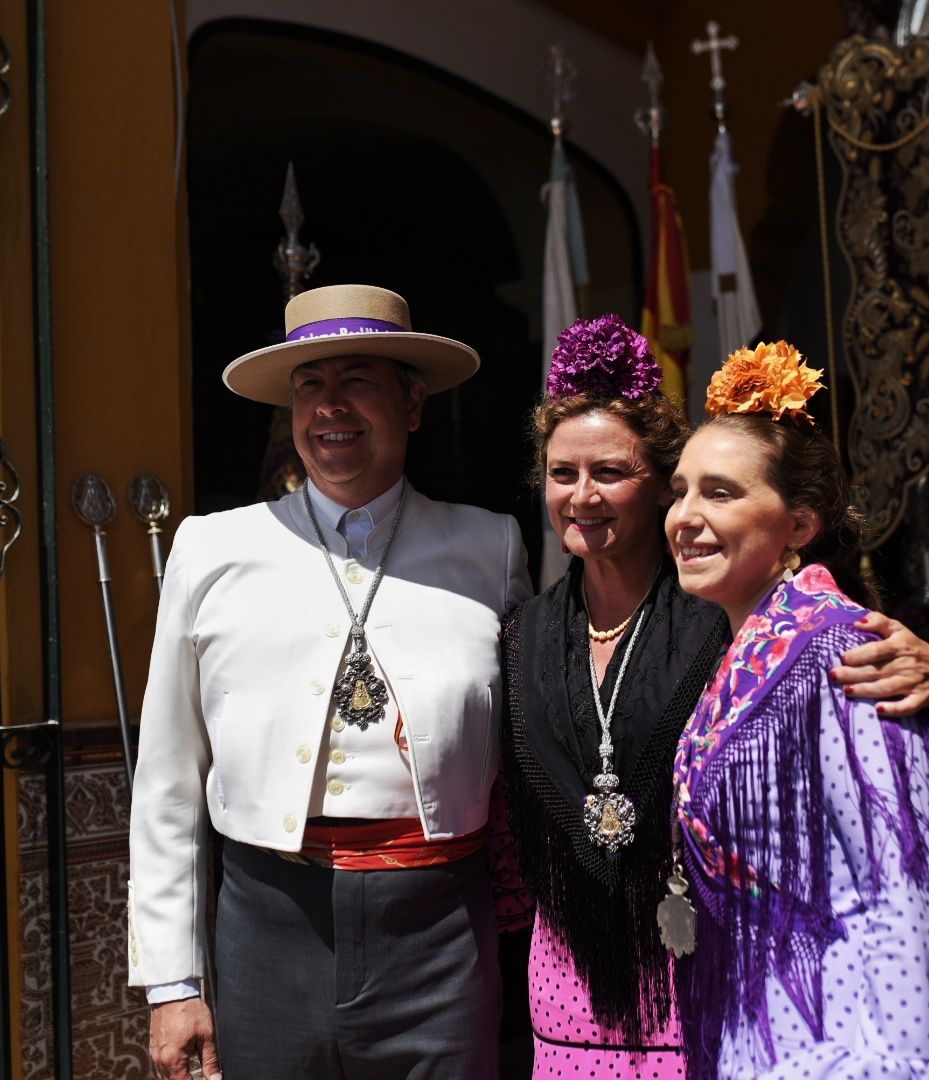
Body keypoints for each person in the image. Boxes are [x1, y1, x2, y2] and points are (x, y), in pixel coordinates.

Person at [501, 319, 929, 1076]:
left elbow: (891, 895)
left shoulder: (755, 623)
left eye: (612, 471)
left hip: (744, 1011)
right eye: (562, 473)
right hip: (612, 1002)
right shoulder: (528, 633)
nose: (583, 494)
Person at [128, 284, 530, 1080]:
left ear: (414, 404)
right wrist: (173, 983)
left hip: (443, 932)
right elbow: (168, 781)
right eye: (310, 385)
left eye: (357, 380)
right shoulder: (211, 550)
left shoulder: (491, 548)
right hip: (268, 929)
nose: (330, 407)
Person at [668, 342, 929, 1079]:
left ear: (801, 524)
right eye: (680, 491)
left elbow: (895, 889)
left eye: (720, 492)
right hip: (756, 1021)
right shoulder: (743, 649)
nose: (685, 516)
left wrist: (903, 1064)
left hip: (833, 1034)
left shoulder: (846, 654)